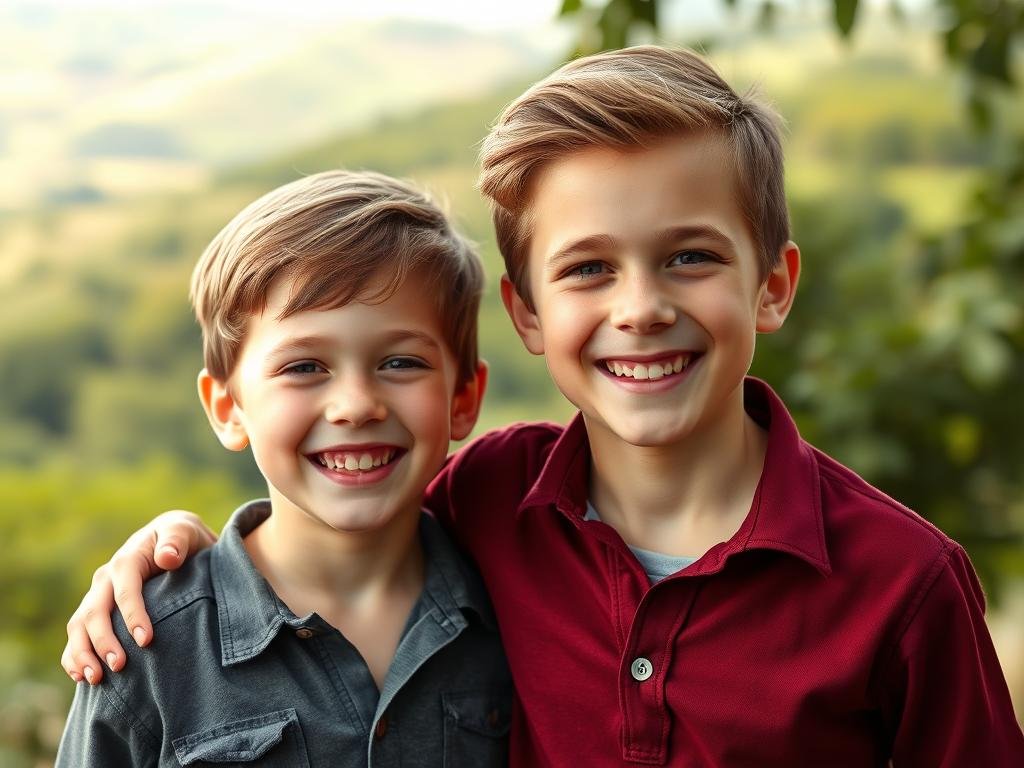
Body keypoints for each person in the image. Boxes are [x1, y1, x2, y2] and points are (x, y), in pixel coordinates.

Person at [62, 47, 1024, 765]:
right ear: (524, 311)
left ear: (773, 284)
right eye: (589, 269)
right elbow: (325, 518)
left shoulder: (905, 586)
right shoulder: (492, 499)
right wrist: (169, 547)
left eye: (690, 257)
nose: (641, 308)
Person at [56, 170, 511, 767]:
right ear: (228, 408)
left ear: (463, 400)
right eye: (304, 367)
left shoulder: (511, 606)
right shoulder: (146, 647)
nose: (355, 405)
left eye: (400, 362)